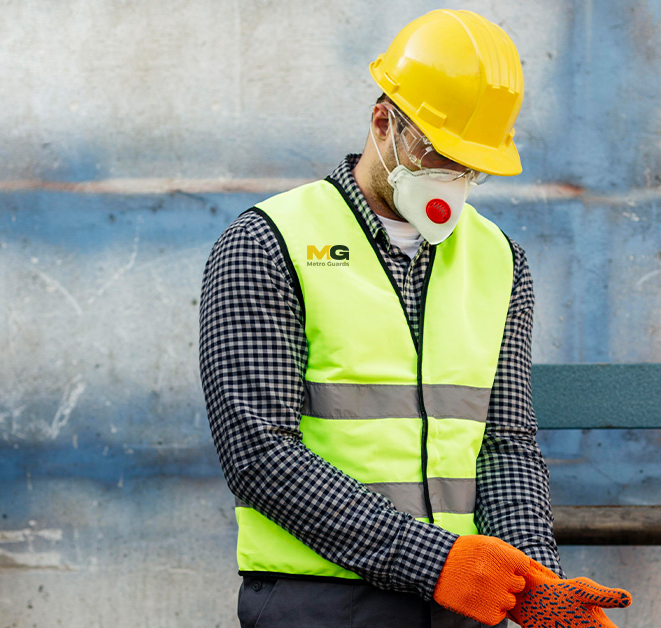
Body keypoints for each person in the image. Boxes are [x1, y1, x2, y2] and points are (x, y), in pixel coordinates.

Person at [199, 9, 631, 627]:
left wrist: (534, 580)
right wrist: (435, 561)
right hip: (321, 604)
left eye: (470, 164)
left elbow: (503, 444)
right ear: (384, 122)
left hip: (462, 604)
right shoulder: (269, 244)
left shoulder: (500, 261)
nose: (452, 177)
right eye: (440, 151)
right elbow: (258, 453)